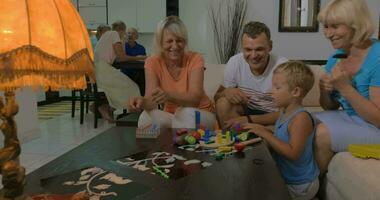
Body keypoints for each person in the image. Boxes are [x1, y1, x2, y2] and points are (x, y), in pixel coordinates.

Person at [314, 0, 380, 174]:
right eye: (326, 27)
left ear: (356, 24)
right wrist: (324, 89)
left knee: (321, 134)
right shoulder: (335, 59)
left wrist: (345, 88)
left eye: (335, 26)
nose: (328, 34)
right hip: (353, 119)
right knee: (302, 121)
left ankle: (308, 189)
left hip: (375, 128)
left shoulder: (377, 57)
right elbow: (330, 107)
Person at [243, 61, 320, 200]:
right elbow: (283, 139)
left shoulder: (300, 118)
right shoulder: (284, 112)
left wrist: (266, 133)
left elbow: (293, 153)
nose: (271, 91)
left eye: (277, 87)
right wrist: (263, 129)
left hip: (300, 185)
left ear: (295, 92)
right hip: (287, 179)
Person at [128, 16, 216, 129]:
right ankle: (165, 144)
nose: (175, 46)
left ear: (185, 42)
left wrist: (168, 95)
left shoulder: (195, 58)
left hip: (200, 114)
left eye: (179, 40)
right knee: (145, 118)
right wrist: (140, 102)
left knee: (186, 114)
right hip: (173, 117)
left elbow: (194, 100)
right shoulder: (152, 62)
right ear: (160, 43)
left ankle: (175, 141)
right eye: (169, 41)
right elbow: (151, 102)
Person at [214, 21, 288, 129]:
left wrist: (249, 120)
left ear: (270, 46)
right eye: (248, 49)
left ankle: (254, 140)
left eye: (259, 49)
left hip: (273, 116)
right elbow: (217, 97)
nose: (253, 56)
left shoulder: (283, 66)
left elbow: (288, 112)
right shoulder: (235, 62)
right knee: (222, 103)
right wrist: (226, 92)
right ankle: (235, 142)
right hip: (246, 111)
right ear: (242, 48)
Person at [94, 21, 140, 122]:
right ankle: (107, 108)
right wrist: (140, 57)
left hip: (98, 71)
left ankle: (104, 107)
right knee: (133, 87)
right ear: (122, 30)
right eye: (125, 33)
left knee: (123, 87)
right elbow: (121, 57)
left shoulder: (106, 35)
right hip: (104, 70)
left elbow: (117, 58)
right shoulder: (114, 34)